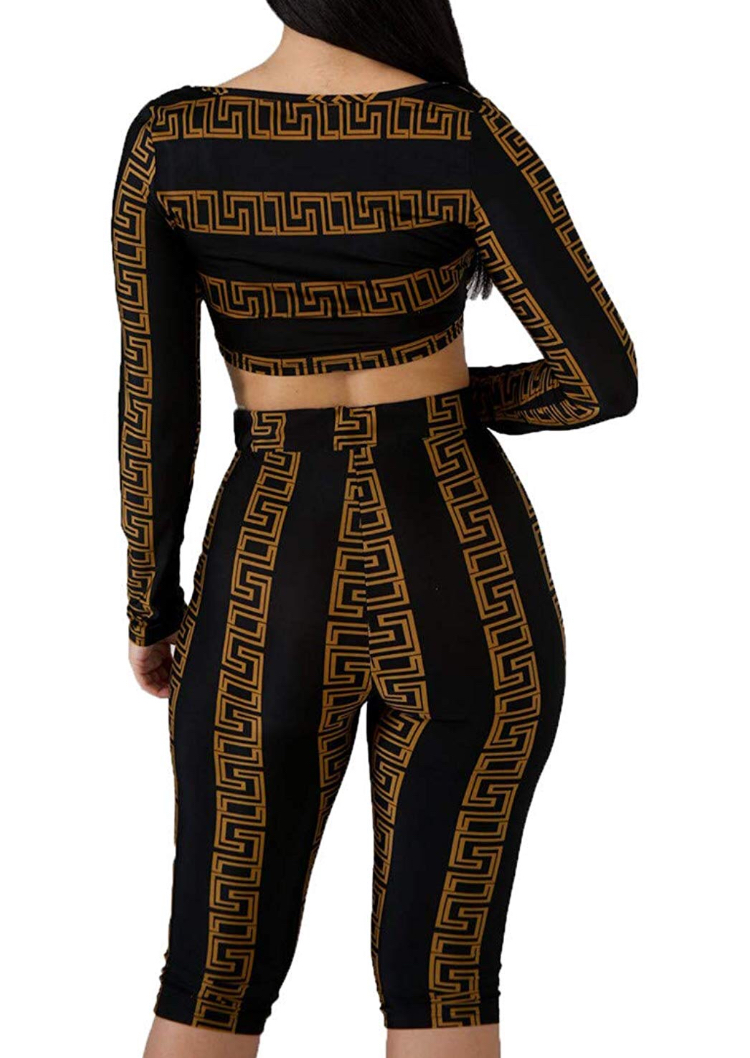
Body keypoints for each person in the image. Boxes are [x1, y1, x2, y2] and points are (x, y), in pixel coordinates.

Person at [110, 2, 637, 1056]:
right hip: (465, 560)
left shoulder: (171, 142)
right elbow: (598, 380)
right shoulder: (461, 131)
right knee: (444, 984)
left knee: (211, 978)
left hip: (272, 566)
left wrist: (150, 606)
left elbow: (155, 403)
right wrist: (441, 399)